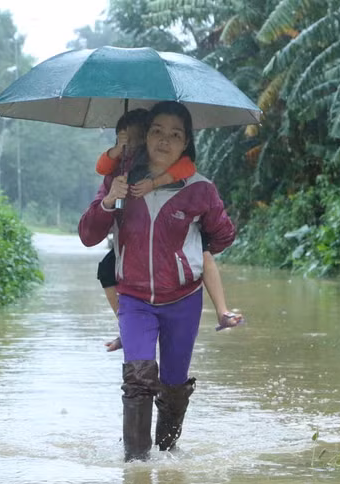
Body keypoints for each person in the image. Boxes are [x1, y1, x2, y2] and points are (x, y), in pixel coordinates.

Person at [79, 101, 237, 462]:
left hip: (183, 300)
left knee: (174, 384)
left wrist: (192, 252)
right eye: (157, 132)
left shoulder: (200, 190)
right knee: (138, 376)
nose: (165, 140)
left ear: (186, 144)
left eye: (175, 134)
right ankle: (135, 464)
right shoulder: (117, 182)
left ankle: (167, 454)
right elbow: (88, 235)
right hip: (134, 298)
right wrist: (109, 203)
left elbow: (223, 235)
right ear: (146, 137)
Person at [95, 110, 244, 352]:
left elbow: (185, 169)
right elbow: (101, 167)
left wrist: (154, 184)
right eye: (126, 142)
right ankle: (126, 327)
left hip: (179, 245)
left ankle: (222, 310)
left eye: (136, 141)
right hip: (132, 258)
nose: (132, 147)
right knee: (106, 269)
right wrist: (116, 158)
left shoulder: (189, 180)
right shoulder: (119, 171)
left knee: (203, 255)